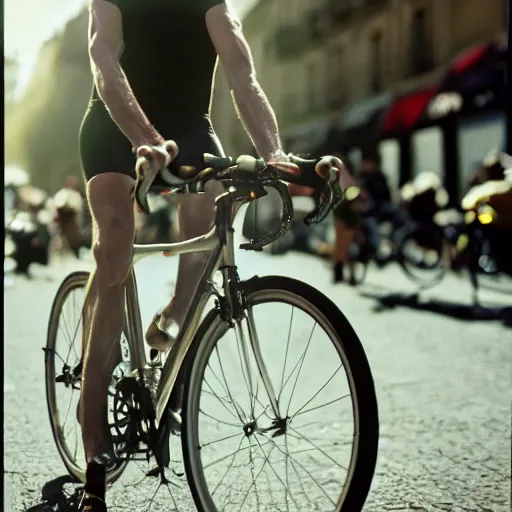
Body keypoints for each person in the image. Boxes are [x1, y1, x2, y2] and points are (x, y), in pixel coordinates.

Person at [77, 1, 344, 510]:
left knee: (216, 196)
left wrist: (274, 155)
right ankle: (93, 443)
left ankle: (175, 314)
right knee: (115, 247)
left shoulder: (212, 3)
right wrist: (147, 141)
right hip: (116, 124)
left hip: (189, 126)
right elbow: (102, 56)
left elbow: (242, 70)